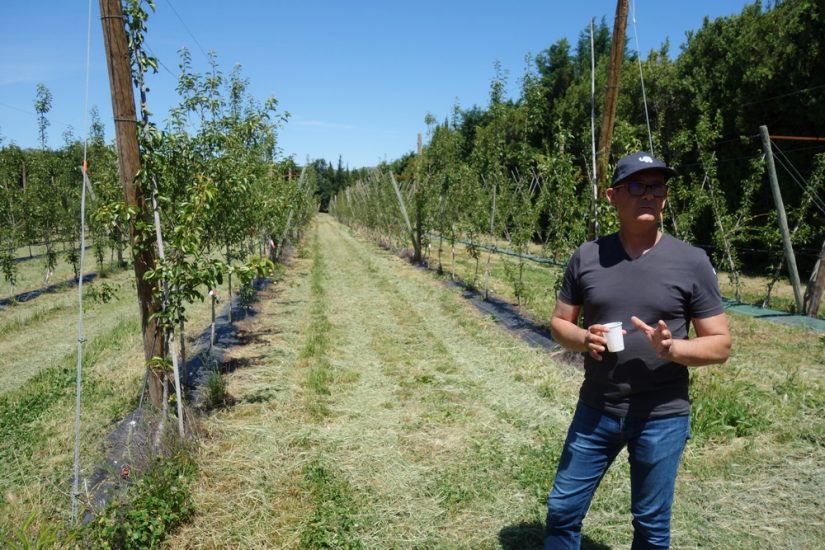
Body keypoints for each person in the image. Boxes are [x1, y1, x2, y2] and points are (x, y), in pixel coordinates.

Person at [544, 151, 731, 549]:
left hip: (661, 416)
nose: (649, 194)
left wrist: (673, 348)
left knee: (650, 525)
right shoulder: (588, 256)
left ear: (664, 197)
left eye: (657, 186)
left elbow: (720, 344)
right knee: (562, 510)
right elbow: (559, 323)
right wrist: (582, 339)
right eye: (636, 186)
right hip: (596, 409)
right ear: (612, 196)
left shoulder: (691, 261)